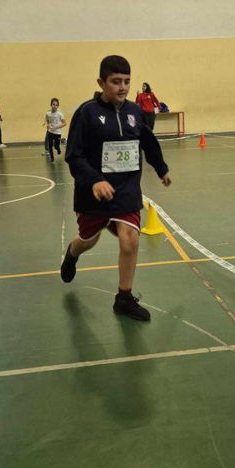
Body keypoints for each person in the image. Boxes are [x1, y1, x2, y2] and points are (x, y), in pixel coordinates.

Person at [61, 55, 171, 321]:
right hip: (93, 192)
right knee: (89, 239)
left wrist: (161, 169)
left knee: (130, 239)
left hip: (127, 189)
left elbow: (148, 143)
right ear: (101, 83)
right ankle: (72, 253)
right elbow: (74, 156)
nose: (122, 87)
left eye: (126, 81)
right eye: (115, 81)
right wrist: (94, 180)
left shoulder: (135, 112)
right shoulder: (86, 113)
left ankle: (124, 297)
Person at [43, 97, 66, 162]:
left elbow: (64, 123)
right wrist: (46, 123)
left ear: (58, 106)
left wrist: (56, 127)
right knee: (50, 145)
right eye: (53, 104)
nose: (55, 106)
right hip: (50, 131)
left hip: (58, 133)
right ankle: (52, 158)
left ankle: (58, 149)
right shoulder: (48, 113)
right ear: (51, 105)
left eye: (56, 105)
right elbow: (46, 118)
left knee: (56, 146)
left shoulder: (60, 114)